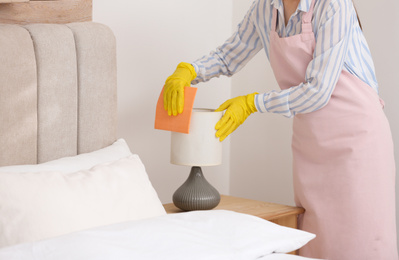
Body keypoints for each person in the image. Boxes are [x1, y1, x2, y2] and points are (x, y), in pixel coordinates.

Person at [162, 0, 398, 259]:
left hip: (358, 141)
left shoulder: (333, 5)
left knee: (362, 241)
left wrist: (253, 103)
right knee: (315, 239)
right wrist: (189, 71)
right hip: (310, 143)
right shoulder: (265, 8)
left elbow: (318, 91)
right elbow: (229, 55)